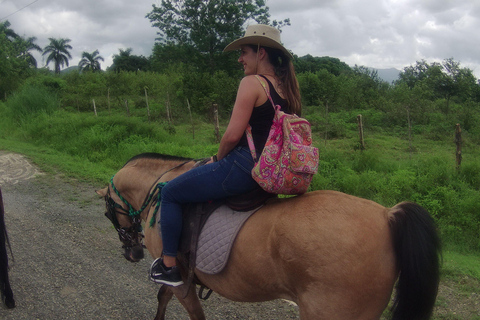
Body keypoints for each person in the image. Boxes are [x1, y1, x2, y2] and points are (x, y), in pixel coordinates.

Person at [149, 24, 302, 286]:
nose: (240, 59)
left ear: (260, 52)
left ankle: (169, 265)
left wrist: (217, 159)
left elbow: (232, 136)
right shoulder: (286, 87)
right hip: (272, 169)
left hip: (243, 167)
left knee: (170, 192)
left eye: (243, 53)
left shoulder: (252, 83)